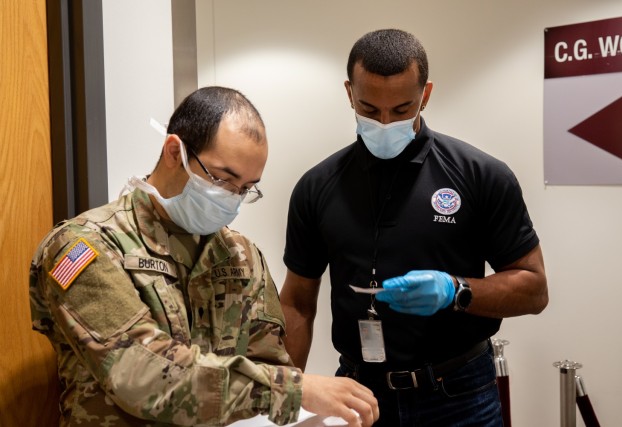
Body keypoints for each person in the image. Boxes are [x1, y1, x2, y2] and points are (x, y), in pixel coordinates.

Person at [29, 86, 378, 427]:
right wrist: (291, 391)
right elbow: (138, 374)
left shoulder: (240, 255)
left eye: (246, 188)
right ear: (173, 152)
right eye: (223, 179)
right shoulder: (85, 246)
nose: (233, 198)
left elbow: (269, 361)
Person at [280, 29, 548, 426]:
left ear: (426, 94)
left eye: (402, 109)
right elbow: (298, 302)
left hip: (459, 394)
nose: (385, 123)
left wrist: (457, 290)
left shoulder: (480, 175)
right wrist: (287, 396)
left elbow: (534, 288)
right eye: (369, 110)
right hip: (357, 392)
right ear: (349, 92)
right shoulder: (316, 187)